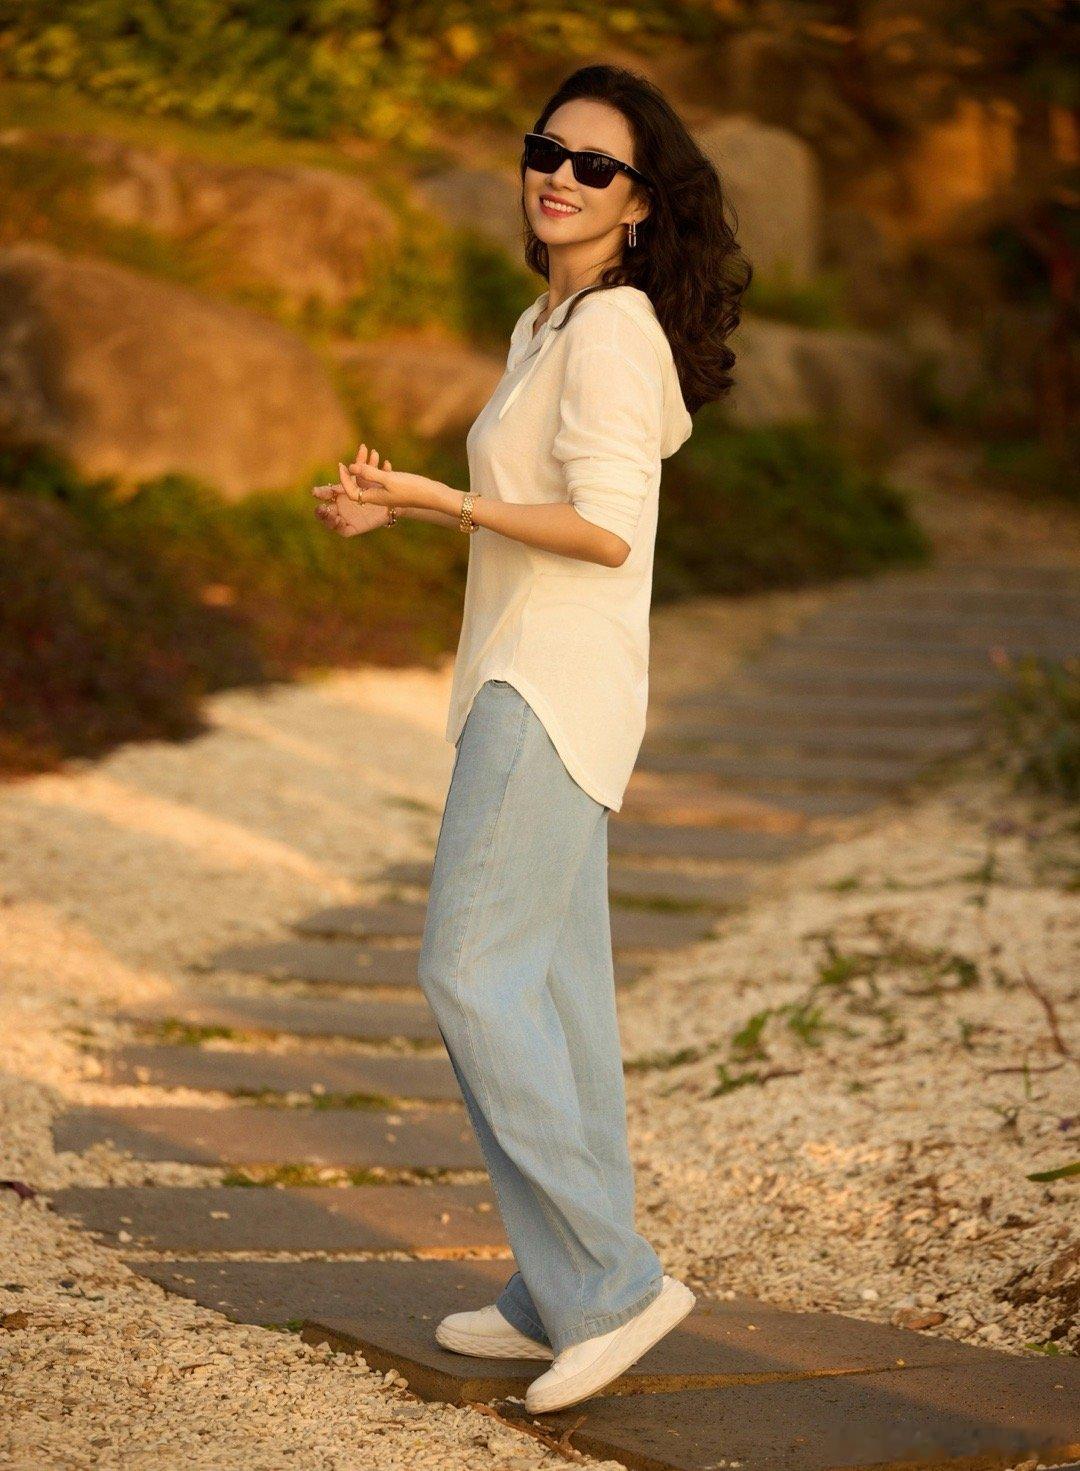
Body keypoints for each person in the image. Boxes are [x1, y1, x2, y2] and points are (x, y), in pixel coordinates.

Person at [313, 63, 751, 1414]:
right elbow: (540, 507)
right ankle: (557, 1284)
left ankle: (611, 1283)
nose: (560, 175)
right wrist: (399, 510)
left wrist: (438, 499)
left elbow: (605, 529)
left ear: (639, 205)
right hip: (534, 677)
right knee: (555, 997)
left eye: (595, 166)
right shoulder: (547, 323)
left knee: (469, 972)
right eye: (545, 150)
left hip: (549, 686)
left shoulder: (610, 332)